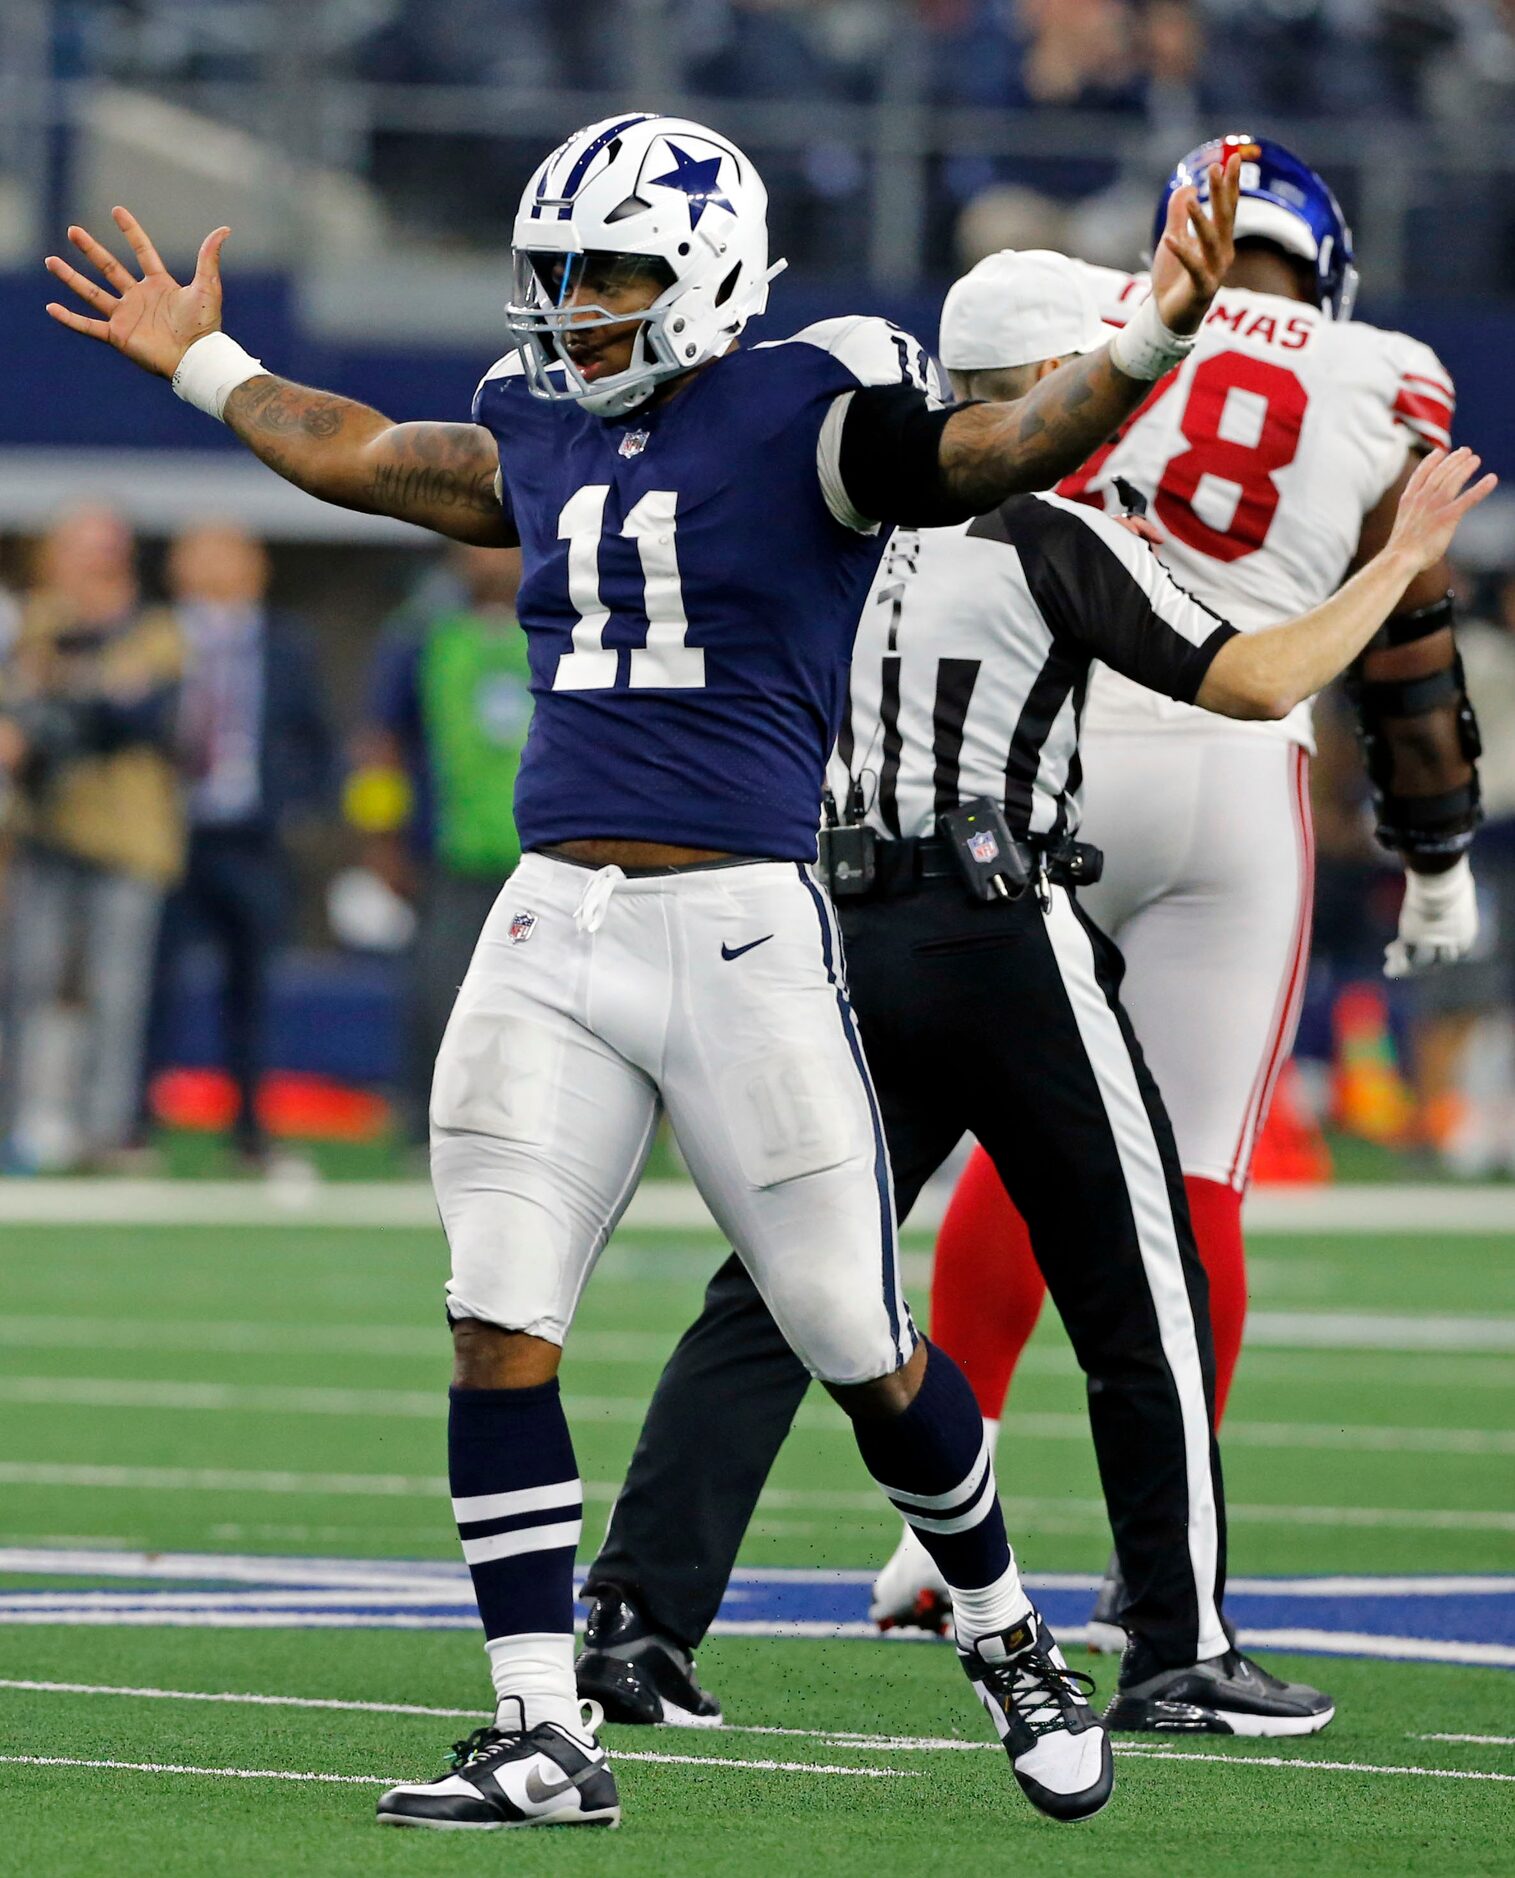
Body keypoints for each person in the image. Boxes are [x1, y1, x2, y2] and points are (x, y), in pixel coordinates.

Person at [45, 112, 1246, 1830]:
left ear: (711, 277)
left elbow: (998, 446)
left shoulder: (809, 414)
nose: (575, 306)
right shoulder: (537, 421)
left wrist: (1147, 339)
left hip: (742, 929)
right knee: (495, 1320)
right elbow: (368, 451)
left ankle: (1004, 1624)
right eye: (558, 272)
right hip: (549, 924)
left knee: (857, 1338)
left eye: (611, 272)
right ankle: (543, 1724)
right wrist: (207, 363)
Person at [570, 250, 1490, 1739]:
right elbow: (1257, 685)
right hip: (998, 930)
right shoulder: (1053, 531)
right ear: (1074, 384)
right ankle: (1175, 1643)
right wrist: (1392, 563)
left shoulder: (824, 520)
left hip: (828, 924)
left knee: (775, 1290)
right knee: (1144, 1291)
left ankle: (633, 1624)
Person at [919, 135, 1487, 1647]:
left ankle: (934, 1543)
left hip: (1042, 739)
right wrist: (1433, 846)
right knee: (1194, 1181)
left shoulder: (1094, 306)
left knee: (1008, 1142)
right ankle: (1160, 1574)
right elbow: (1405, 627)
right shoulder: (1380, 369)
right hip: (1237, 760)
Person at [145, 520, 336, 1167]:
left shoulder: (286, 643)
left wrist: (296, 809)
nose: (215, 567)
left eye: (229, 553)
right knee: (151, 982)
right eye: (200, 551)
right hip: (168, 834)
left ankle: (251, 1130)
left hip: (252, 835)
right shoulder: (157, 637)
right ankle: (136, 1123)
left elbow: (315, 734)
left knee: (253, 986)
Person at [0, 505, 184, 1169]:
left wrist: (67, 692)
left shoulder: (153, 626)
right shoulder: (40, 621)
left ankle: (106, 1132)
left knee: (116, 988)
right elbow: (24, 712)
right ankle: (19, 1124)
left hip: (127, 832)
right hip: (48, 827)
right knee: (27, 979)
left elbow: (133, 716)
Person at [349, 543, 530, 1145]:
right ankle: (426, 1127)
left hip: (545, 854)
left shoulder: (568, 621)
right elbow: (379, 744)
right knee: (441, 992)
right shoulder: (420, 632)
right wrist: (381, 839)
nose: (493, 559)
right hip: (446, 852)